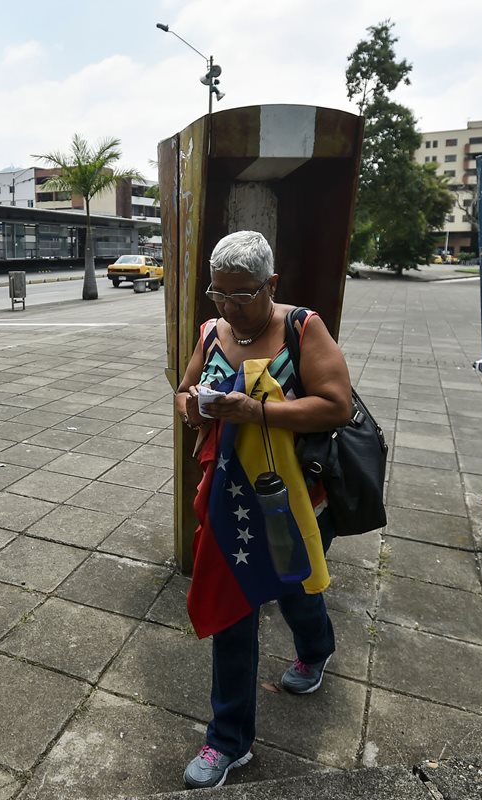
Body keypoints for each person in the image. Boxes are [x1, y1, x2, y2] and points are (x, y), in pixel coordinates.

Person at [174, 231, 353, 789]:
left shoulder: (302, 327)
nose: (228, 306)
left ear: (271, 284)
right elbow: (182, 392)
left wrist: (255, 411)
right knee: (233, 613)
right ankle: (229, 740)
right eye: (218, 292)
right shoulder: (211, 332)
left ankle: (315, 649)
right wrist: (194, 409)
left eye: (242, 293)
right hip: (227, 500)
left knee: (297, 589)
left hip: (291, 496)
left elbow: (336, 406)